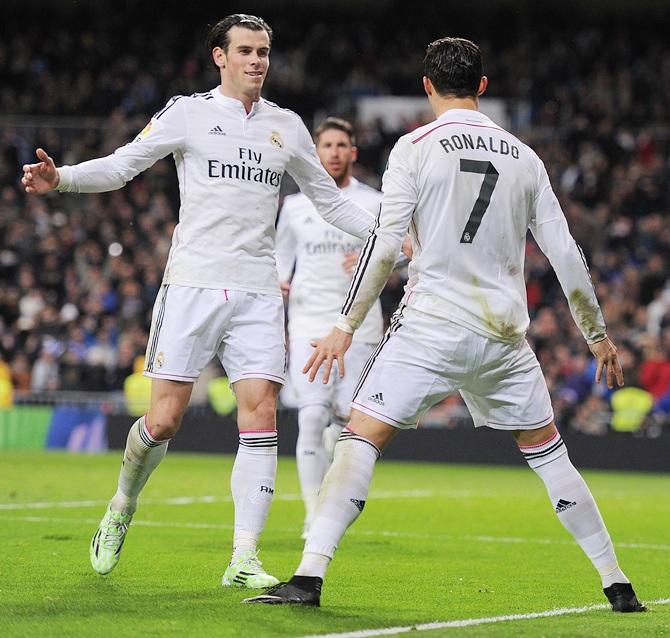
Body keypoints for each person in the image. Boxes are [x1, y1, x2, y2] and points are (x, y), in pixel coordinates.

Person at [244, 37, 646, 612]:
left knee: (361, 435)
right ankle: (617, 583)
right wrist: (598, 335)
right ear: (482, 87)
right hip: (505, 338)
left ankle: (308, 576)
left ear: (427, 86)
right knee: (549, 454)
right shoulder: (525, 157)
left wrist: (344, 324)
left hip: (430, 326)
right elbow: (566, 253)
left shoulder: (413, 147)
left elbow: (385, 248)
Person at [21, 14, 375, 588]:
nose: (258, 61)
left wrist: (389, 234)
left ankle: (244, 557)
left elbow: (330, 204)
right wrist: (61, 179)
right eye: (246, 51)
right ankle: (122, 502)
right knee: (163, 421)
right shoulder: (187, 113)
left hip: (259, 291)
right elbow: (122, 166)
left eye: (264, 52)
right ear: (220, 56)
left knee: (260, 415)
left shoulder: (286, 126)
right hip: (191, 286)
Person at [275, 117, 384, 539]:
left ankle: (331, 471)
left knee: (346, 424)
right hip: (308, 323)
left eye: (342, 145)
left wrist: (377, 262)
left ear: (353, 152)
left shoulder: (374, 203)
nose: (335, 152)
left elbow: (408, 253)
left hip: (360, 325)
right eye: (327, 145)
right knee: (310, 416)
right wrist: (279, 283)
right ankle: (312, 514)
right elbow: (281, 258)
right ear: (316, 153)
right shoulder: (296, 205)